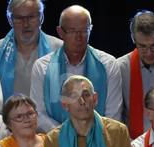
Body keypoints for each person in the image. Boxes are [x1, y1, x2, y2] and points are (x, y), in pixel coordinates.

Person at [31, 5, 123, 133]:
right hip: (57, 141)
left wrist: (90, 136)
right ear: (60, 32)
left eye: (84, 31)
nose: (79, 37)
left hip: (98, 139)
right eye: (73, 31)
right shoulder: (42, 67)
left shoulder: (108, 64)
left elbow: (113, 114)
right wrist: (66, 135)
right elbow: (38, 113)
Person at [0, 0, 62, 101]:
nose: (26, 24)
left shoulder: (59, 49)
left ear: (41, 17)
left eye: (31, 17)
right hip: (5, 116)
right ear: (10, 20)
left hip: (49, 116)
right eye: (19, 18)